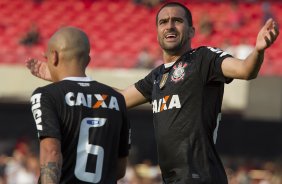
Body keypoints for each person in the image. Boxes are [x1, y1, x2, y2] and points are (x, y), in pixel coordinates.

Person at [26, 2, 279, 184]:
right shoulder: (157, 76)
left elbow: (246, 70)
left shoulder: (204, 59)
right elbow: (117, 99)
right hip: (171, 178)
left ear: (191, 31)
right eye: (163, 21)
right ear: (157, 31)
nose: (170, 25)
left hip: (201, 175)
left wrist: (258, 51)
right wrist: (65, 79)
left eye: (177, 20)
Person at [29, 27, 130, 183]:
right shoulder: (117, 99)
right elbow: (119, 169)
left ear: (54, 57)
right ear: (88, 61)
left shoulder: (46, 95)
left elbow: (51, 153)